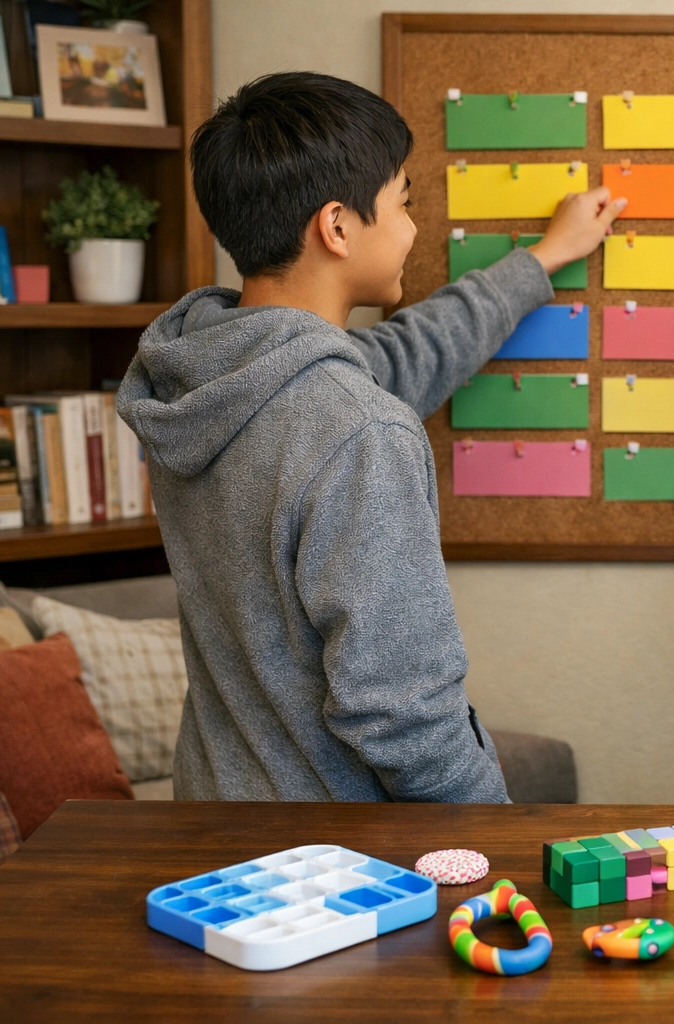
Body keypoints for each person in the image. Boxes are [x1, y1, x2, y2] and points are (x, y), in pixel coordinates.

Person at [117, 72, 623, 802]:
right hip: (335, 872)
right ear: (338, 226)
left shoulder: (206, 380)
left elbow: (410, 351)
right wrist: (493, 840)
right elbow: (402, 713)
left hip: (213, 832)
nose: (415, 227)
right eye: (404, 203)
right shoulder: (357, 431)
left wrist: (541, 259)